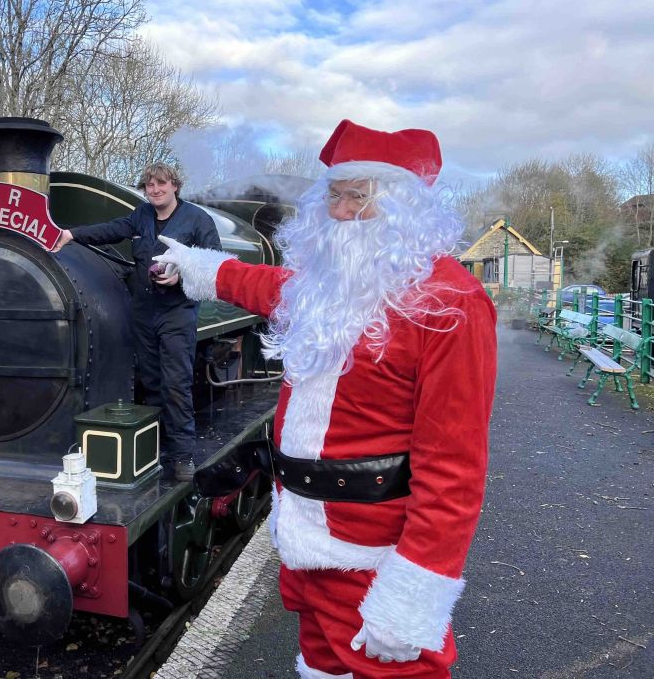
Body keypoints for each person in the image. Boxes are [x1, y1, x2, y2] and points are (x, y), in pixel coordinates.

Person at [154, 119, 497, 678]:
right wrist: (196, 267)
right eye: (333, 195)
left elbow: (455, 470)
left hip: (374, 554)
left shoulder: (451, 301)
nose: (338, 211)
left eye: (356, 197)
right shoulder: (326, 282)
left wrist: (413, 589)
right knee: (320, 664)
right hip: (304, 534)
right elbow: (262, 286)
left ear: (404, 207)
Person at [53, 163, 221, 482]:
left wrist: (181, 276)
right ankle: (155, 447)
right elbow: (111, 230)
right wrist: (72, 234)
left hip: (177, 312)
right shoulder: (141, 215)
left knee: (176, 384)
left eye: (160, 184)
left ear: (174, 185)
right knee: (153, 382)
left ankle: (183, 455)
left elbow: (215, 264)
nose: (154, 190)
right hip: (144, 312)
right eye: (149, 185)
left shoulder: (198, 219)